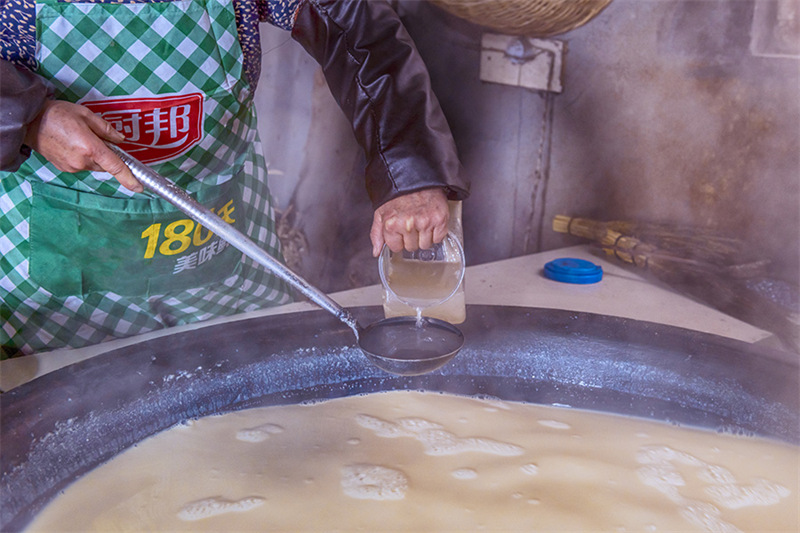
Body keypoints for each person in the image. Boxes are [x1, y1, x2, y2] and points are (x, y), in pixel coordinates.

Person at [0, 0, 469, 358]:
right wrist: (26, 114)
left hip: (218, 249)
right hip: (47, 267)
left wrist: (411, 172)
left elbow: (355, 28)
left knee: (252, 417)